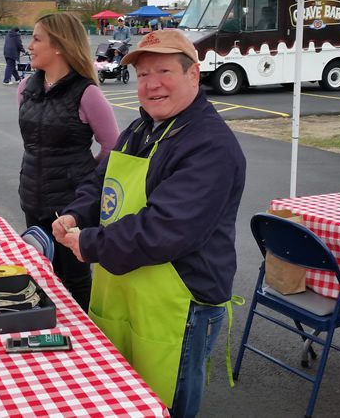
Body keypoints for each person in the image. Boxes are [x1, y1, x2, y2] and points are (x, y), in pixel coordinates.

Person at [52, 29, 245, 416]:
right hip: (125, 289)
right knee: (118, 395)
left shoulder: (210, 145)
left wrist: (89, 244)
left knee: (164, 403)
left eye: (164, 71)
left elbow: (166, 229)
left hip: (179, 306)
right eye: (142, 75)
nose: (151, 84)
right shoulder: (141, 128)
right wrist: (77, 213)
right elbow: (101, 182)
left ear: (194, 74)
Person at [17, 12, 119, 309]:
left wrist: (86, 178)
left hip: (70, 204)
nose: (29, 46)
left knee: (73, 277)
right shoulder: (26, 89)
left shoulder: (87, 93)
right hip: (32, 196)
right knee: (41, 271)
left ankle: (85, 341)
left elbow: (111, 146)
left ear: (59, 46)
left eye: (36, 39)